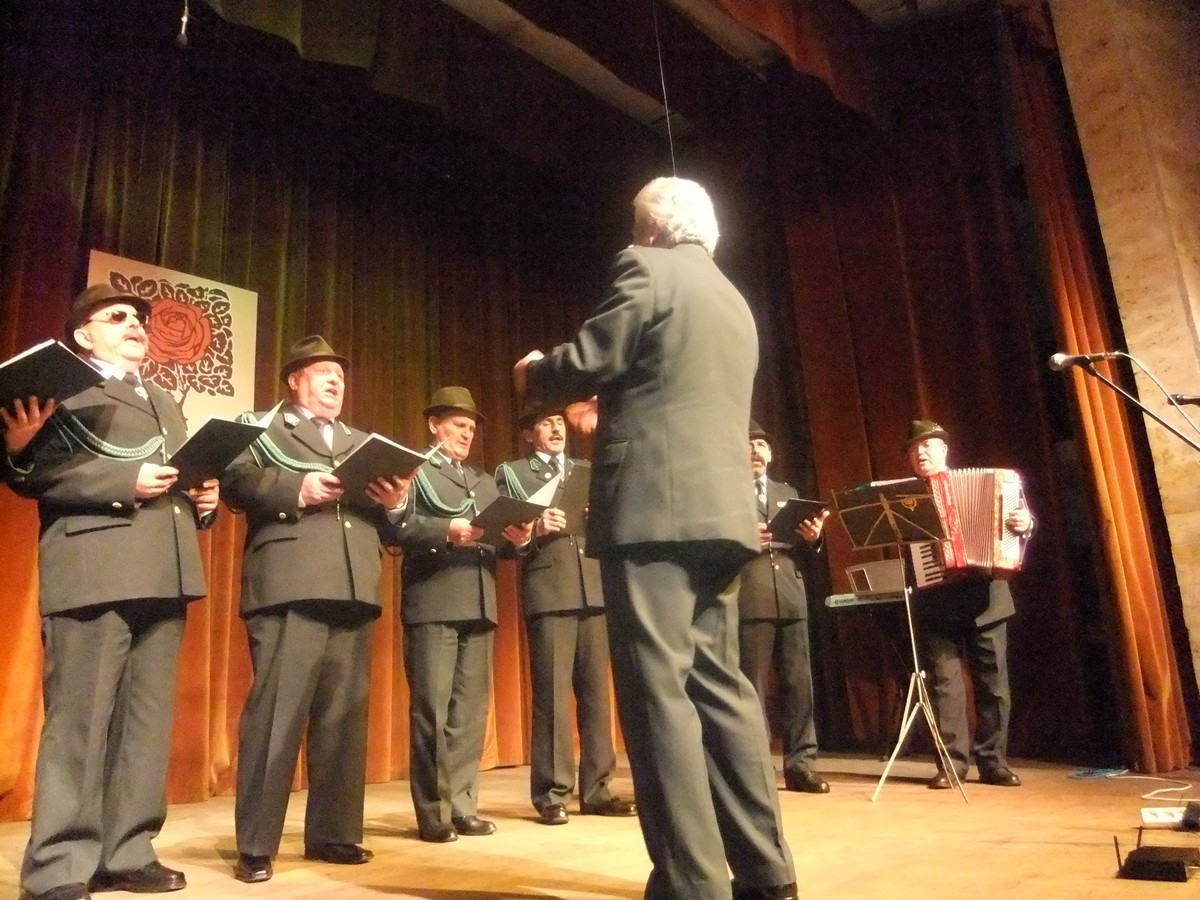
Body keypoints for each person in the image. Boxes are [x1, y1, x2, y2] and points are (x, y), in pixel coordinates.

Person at [514, 176, 798, 900]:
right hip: (722, 516)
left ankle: (690, 882)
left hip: (652, 514)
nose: (633, 236)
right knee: (722, 689)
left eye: (636, 225)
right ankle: (767, 875)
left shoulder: (647, 267)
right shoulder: (734, 300)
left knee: (656, 695)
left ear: (652, 230)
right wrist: (610, 405)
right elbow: (669, 386)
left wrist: (536, 373)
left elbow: (590, 358)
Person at [5, 283, 219, 900]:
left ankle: (127, 851)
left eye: (140, 319)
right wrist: (126, 478)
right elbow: (31, 472)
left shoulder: (163, 399)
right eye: (118, 316)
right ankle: (59, 864)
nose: (135, 325)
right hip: (94, 568)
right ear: (83, 335)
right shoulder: (60, 389)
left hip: (164, 571)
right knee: (80, 721)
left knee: (144, 725)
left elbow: (173, 478)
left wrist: (201, 500)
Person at [220, 335, 412, 883]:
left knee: (343, 721)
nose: (334, 381)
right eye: (323, 372)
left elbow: (391, 525)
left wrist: (395, 503)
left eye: (340, 375)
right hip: (290, 583)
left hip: (353, 587)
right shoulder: (264, 426)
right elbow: (237, 480)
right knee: (276, 717)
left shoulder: (361, 441)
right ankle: (257, 843)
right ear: (294, 380)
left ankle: (333, 833)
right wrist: (298, 488)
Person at [398, 386, 531, 843]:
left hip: (479, 600)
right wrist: (445, 530)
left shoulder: (484, 480)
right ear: (434, 424)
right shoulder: (415, 470)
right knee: (432, 710)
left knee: (470, 713)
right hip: (434, 598)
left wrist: (517, 539)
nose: (467, 433)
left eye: (471, 427)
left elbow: (497, 543)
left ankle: (462, 805)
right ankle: (433, 812)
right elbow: (399, 527)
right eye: (458, 424)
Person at [494, 403, 636, 825]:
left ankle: (598, 789)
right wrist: (536, 528)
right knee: (553, 696)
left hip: (592, 587)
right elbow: (504, 536)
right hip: (550, 590)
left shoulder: (585, 470)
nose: (556, 429)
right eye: (546, 423)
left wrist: (600, 519)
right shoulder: (513, 474)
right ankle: (552, 793)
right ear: (529, 433)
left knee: (596, 695)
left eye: (559, 422)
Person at [903, 419, 1034, 790]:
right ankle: (951, 765)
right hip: (937, 599)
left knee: (994, 686)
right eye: (913, 449)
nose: (920, 453)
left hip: (987, 597)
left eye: (927, 446)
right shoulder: (907, 498)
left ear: (944, 450)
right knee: (945, 687)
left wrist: (1025, 523)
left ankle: (993, 762)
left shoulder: (996, 484)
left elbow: (1021, 520)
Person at [740, 420, 831, 795]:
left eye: (761, 445)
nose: (756, 450)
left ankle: (801, 765)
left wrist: (814, 538)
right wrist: (744, 538)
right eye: (749, 444)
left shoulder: (787, 492)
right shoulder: (728, 493)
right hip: (750, 595)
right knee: (753, 687)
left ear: (771, 454)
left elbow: (804, 547)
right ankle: (755, 768)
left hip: (791, 595)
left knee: (798, 684)